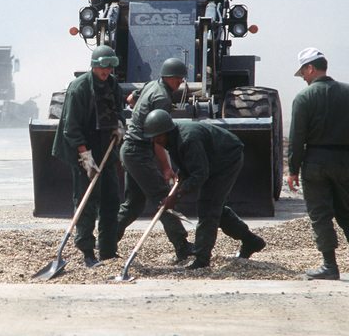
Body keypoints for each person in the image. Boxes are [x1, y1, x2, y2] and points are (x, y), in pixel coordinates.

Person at [146, 109, 266, 270]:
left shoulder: (187, 139)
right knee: (215, 208)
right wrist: (182, 175)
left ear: (167, 131)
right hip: (211, 161)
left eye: (158, 136)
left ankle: (202, 259)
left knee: (207, 207)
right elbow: (189, 162)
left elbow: (200, 175)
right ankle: (251, 241)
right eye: (153, 137)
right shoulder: (170, 139)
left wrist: (177, 195)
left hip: (227, 159)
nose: (156, 140)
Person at [52, 45, 125, 268]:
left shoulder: (113, 85)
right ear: (94, 65)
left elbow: (118, 113)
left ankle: (108, 251)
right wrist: (85, 157)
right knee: (86, 203)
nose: (107, 72)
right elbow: (71, 128)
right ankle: (87, 252)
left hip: (105, 150)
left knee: (111, 201)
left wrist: (118, 126)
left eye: (110, 67)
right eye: (103, 67)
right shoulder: (79, 88)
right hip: (82, 150)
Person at [117, 58, 194, 263]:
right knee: (163, 198)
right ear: (168, 77)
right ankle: (182, 246)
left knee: (133, 204)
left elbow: (131, 99)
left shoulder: (152, 85)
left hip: (129, 149)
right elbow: (159, 139)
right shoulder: (162, 99)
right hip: (139, 152)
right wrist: (167, 167)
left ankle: (106, 241)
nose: (180, 81)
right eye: (177, 77)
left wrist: (139, 119)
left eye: (181, 78)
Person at [287, 48, 349, 280]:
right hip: (346, 161)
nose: (303, 76)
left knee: (320, 215)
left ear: (310, 68)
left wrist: (293, 170)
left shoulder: (303, 98)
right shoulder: (347, 92)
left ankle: (329, 266)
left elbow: (296, 138)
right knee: (347, 213)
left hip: (315, 163)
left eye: (303, 71)